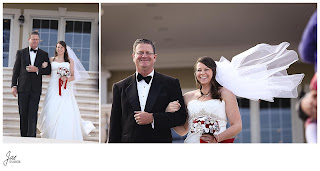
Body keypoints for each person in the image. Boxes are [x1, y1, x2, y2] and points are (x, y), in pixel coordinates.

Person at [167, 42, 304, 143]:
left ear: (214, 72)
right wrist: (169, 116)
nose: (202, 73)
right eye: (199, 70)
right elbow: (184, 130)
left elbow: (237, 125)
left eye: (206, 69)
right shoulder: (188, 97)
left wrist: (217, 139)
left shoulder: (225, 93)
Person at [108, 38, 187, 143]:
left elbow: (180, 118)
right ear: (133, 56)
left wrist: (153, 118)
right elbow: (115, 125)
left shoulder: (171, 84)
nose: (144, 56)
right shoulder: (119, 87)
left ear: (154, 57)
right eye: (140, 53)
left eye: (148, 53)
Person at [37, 41, 95, 140]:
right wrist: (43, 68)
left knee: (66, 110)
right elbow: (48, 74)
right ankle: (50, 131)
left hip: (65, 88)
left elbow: (73, 76)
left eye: (61, 47)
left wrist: (66, 79)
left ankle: (63, 132)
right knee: (51, 109)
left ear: (65, 49)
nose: (59, 49)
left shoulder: (70, 61)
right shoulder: (51, 60)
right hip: (53, 87)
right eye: (58, 47)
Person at [11, 31, 51, 137]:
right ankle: (23, 136)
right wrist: (14, 85)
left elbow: (48, 70)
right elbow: (16, 70)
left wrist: (37, 69)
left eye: (37, 39)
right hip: (22, 88)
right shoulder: (21, 52)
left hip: (35, 89)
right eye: (33, 39)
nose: (35, 41)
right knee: (23, 113)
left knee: (33, 113)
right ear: (29, 40)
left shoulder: (44, 54)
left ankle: (31, 137)